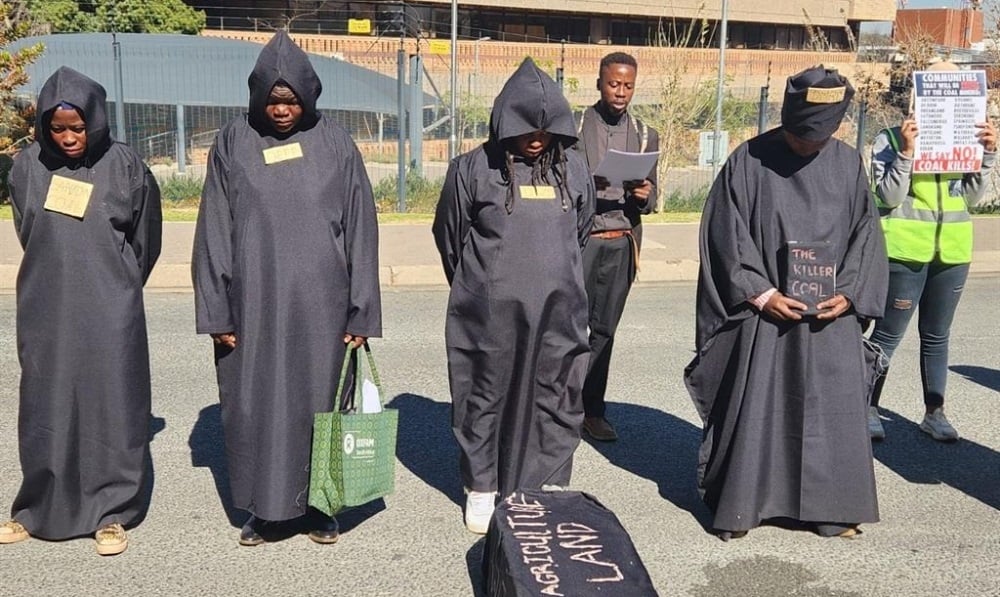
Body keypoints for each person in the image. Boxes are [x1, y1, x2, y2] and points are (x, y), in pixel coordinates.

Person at [192, 31, 382, 547]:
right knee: (254, 405)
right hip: (252, 305)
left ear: (309, 96)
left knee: (320, 405)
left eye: (291, 99)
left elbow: (362, 228)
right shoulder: (233, 141)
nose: (281, 110)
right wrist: (217, 312)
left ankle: (320, 505)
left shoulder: (337, 143)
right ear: (257, 98)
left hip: (324, 305)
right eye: (273, 100)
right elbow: (213, 228)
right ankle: (264, 508)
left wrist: (361, 313)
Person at [684, 66, 889, 540]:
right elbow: (724, 236)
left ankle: (831, 509)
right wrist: (763, 293)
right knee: (758, 402)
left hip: (829, 315)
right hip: (766, 314)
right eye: (801, 137)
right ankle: (743, 505)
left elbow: (866, 234)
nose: (808, 146)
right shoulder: (748, 160)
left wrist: (852, 292)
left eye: (819, 138)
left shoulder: (846, 163)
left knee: (829, 408)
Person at [1, 67, 162, 556]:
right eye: (58, 129)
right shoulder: (27, 167)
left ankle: (111, 512)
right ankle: (37, 508)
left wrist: (116, 284)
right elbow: (28, 230)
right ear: (44, 128)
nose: (69, 138)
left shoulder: (126, 165)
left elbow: (145, 240)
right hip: (45, 305)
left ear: (95, 121)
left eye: (78, 128)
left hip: (111, 306)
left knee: (112, 405)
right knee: (46, 404)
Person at [433, 58, 595, 534]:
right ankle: (482, 485)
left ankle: (542, 479)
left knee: (556, 392)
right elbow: (450, 237)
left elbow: (580, 233)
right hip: (488, 313)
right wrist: (483, 287)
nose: (537, 138)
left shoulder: (575, 169)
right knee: (483, 393)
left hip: (558, 313)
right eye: (527, 128)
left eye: (546, 128)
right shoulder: (472, 169)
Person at [866, 60, 997, 442]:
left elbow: (974, 197)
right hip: (905, 252)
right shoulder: (888, 139)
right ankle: (866, 407)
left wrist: (988, 154)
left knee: (937, 335)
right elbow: (886, 196)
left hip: (953, 253)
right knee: (887, 335)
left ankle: (934, 413)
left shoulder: (966, 137)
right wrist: (907, 152)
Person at [574, 52, 660, 442]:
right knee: (567, 328)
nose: (621, 92)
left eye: (628, 85)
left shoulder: (645, 134)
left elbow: (652, 196)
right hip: (581, 241)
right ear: (599, 83)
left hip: (621, 241)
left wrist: (644, 193)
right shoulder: (574, 127)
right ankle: (560, 409)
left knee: (604, 331)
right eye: (613, 84)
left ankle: (593, 411)